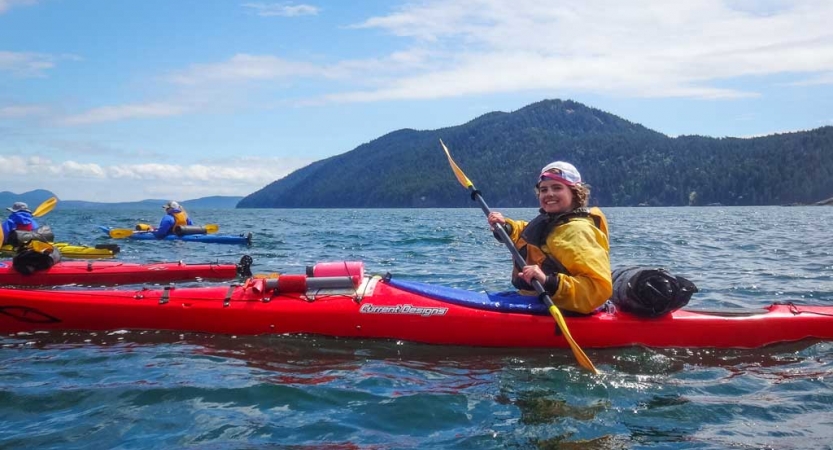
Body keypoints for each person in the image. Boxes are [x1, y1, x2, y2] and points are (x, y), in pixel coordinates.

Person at [486, 161, 612, 314]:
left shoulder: (579, 232)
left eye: (557, 187)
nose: (549, 194)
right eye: (543, 189)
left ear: (575, 192)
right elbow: (530, 237)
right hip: (535, 299)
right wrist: (506, 227)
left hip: (565, 309)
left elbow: (596, 289)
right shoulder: (553, 222)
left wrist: (547, 281)